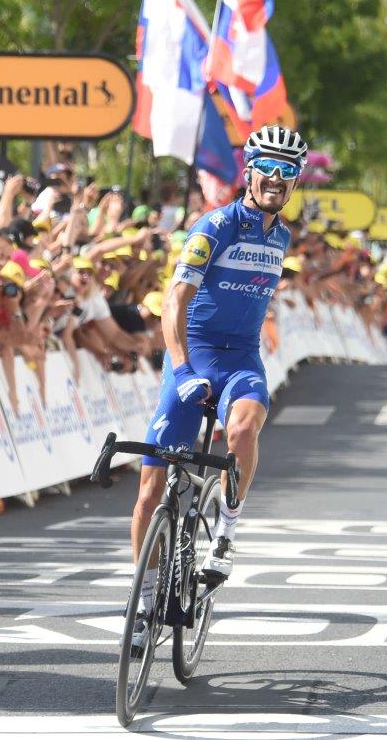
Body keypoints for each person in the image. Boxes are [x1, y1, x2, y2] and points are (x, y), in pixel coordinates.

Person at [127, 125, 305, 648]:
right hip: (195, 354)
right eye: (266, 167)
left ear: (295, 182)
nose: (275, 178)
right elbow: (173, 303)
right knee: (148, 490)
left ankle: (225, 533)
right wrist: (182, 369)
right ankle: (144, 599)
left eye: (287, 170)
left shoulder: (281, 235)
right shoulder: (216, 225)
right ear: (248, 172)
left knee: (244, 431)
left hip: (242, 358)